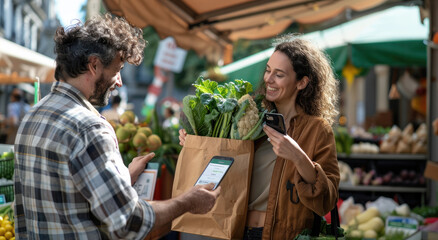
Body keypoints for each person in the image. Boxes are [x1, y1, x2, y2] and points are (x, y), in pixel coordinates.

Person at [14, 14, 220, 239]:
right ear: (94, 65)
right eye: (117, 69)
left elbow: (55, 199)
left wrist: (123, 178)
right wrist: (187, 201)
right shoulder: (89, 128)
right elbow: (129, 221)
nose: (120, 81)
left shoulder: (32, 116)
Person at [179, 35, 340, 239]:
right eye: (268, 70)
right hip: (235, 230)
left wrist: (298, 157)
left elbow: (327, 199)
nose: (268, 79)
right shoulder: (249, 120)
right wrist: (199, 144)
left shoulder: (318, 130)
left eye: (279, 74)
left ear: (302, 82)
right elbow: (222, 167)